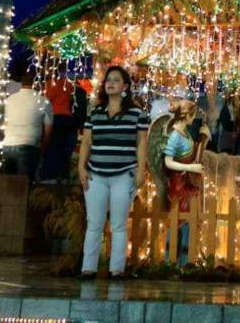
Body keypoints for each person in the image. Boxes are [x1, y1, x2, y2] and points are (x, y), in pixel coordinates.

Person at [77, 65, 150, 279]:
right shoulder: (95, 113)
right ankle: (88, 268)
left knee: (118, 224)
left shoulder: (137, 113)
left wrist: (140, 169)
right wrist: (81, 167)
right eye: (109, 80)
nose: (111, 83)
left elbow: (141, 143)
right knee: (94, 223)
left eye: (116, 80)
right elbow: (86, 142)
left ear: (125, 86)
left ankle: (116, 269)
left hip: (123, 174)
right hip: (96, 174)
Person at [154, 100, 209, 264]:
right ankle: (172, 260)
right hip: (179, 184)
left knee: (188, 222)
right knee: (179, 220)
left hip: (188, 182)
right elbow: (168, 162)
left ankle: (184, 260)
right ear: (188, 115)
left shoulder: (185, 133)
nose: (194, 118)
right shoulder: (175, 135)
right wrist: (191, 168)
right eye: (193, 115)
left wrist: (203, 139)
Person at [1, 65, 52, 181]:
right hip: (29, 145)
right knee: (23, 185)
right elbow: (48, 132)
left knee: (6, 183)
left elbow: (3, 123)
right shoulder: (43, 101)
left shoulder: (9, 99)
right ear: (38, 83)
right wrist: (42, 151)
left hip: (7, 145)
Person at [41, 72, 83, 182]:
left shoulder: (52, 85)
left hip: (56, 120)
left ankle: (51, 179)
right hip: (69, 121)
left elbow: (45, 103)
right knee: (65, 154)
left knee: (53, 152)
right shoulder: (70, 85)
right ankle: (64, 179)